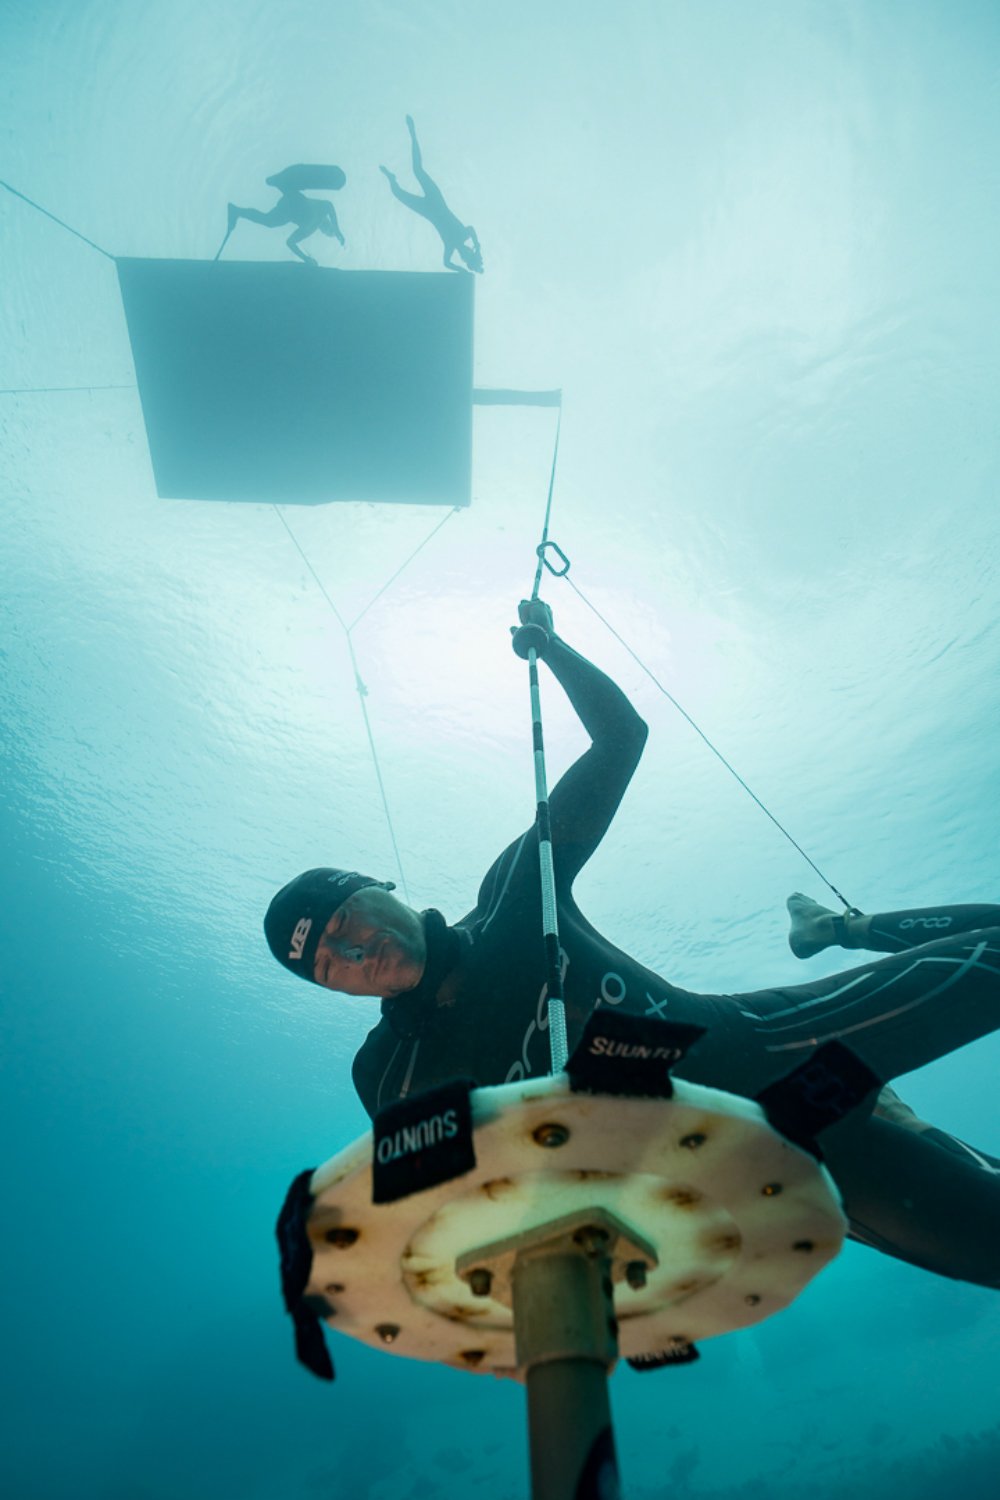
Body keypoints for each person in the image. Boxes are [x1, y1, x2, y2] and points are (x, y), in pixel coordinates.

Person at [264, 601, 1000, 1289]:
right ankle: (873, 1033)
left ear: (382, 889)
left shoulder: (518, 894)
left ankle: (847, 930)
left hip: (791, 1048)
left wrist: (551, 650)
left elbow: (621, 739)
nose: (358, 956)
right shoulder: (389, 1076)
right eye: (331, 966)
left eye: (347, 921)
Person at [379, 115, 483, 273]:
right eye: (468, 254)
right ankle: (412, 132)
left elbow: (446, 263)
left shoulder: (451, 245)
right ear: (470, 249)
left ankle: (391, 178)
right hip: (437, 200)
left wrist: (462, 269)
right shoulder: (462, 236)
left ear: (462, 258)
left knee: (398, 194)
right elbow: (472, 229)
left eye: (464, 258)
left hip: (427, 211)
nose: (464, 255)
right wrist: (478, 246)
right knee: (417, 170)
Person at [222, 166, 346, 266]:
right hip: (294, 199)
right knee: (271, 219)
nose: (327, 229)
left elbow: (290, 242)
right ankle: (279, 183)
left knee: (268, 222)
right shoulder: (321, 211)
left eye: (328, 232)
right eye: (330, 228)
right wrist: (337, 230)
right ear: (330, 223)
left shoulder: (309, 229)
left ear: (323, 233)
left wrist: (306, 258)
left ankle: (237, 211)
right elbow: (330, 206)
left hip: (287, 211)